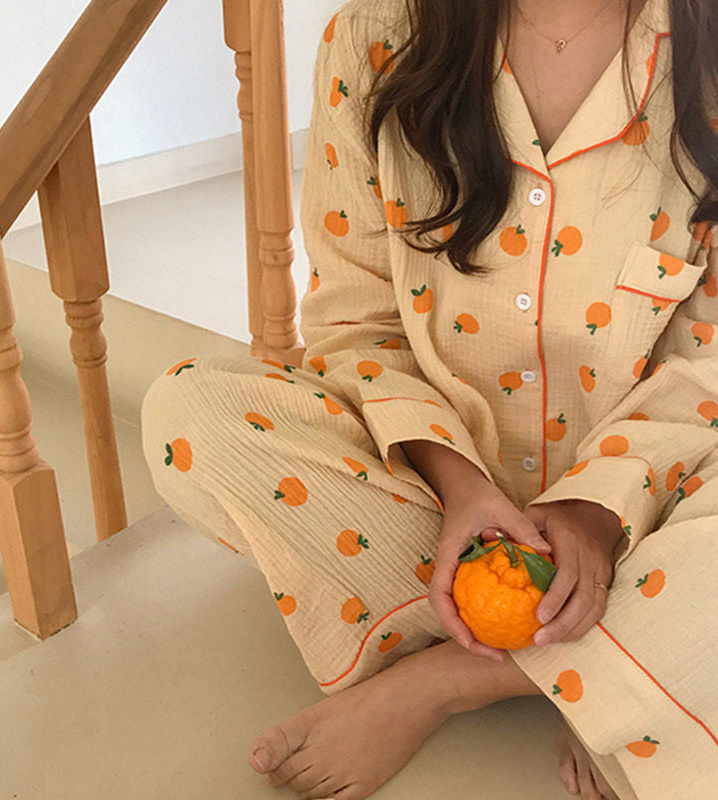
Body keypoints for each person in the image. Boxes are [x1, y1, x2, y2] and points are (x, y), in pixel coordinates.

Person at [139, 0, 718, 797]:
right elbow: (355, 319)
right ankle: (611, 666)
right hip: (433, 494)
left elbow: (706, 363)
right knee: (190, 419)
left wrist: (595, 511)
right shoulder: (373, 41)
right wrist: (460, 485)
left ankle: (453, 677)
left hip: (652, 504)